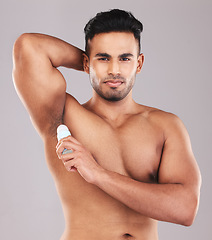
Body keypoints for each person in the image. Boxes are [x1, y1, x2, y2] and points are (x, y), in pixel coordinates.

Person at [13, 9, 201, 240]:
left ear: (139, 63)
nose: (114, 69)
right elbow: (29, 47)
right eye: (103, 58)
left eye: (125, 58)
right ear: (86, 62)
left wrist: (97, 173)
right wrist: (90, 63)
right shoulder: (64, 114)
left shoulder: (165, 126)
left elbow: (185, 210)